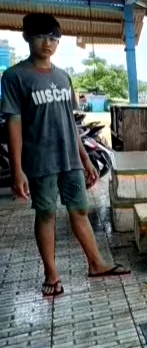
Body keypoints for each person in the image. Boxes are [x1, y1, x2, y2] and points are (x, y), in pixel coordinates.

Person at [0, 13, 130, 297]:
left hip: (69, 157)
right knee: (46, 214)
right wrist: (17, 169)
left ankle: (96, 263)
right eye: (41, 37)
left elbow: (70, 123)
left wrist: (84, 160)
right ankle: (51, 273)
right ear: (27, 37)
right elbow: (14, 123)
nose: (48, 43)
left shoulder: (62, 77)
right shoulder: (14, 77)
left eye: (54, 38)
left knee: (79, 210)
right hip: (40, 160)